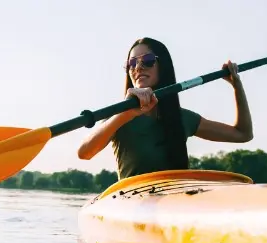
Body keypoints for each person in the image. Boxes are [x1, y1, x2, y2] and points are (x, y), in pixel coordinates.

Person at [77, 37, 255, 179]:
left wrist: (236, 86)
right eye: (131, 64)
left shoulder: (182, 118)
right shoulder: (118, 116)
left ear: (163, 67)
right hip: (133, 202)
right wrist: (126, 113)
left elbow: (243, 134)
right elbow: (85, 152)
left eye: (147, 60)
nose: (138, 67)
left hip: (173, 200)